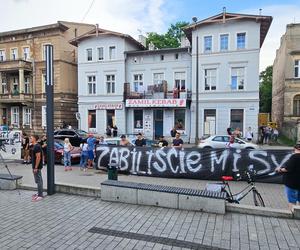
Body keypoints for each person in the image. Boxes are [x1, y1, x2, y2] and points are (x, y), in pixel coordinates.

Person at [276, 143, 300, 211]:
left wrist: (279, 170)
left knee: (292, 201)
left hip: (292, 183)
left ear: (295, 149)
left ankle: (292, 214)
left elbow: (288, 168)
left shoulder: (294, 157)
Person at [30, 135, 43, 201]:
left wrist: (36, 167)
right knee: (37, 180)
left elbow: (38, 157)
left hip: (37, 166)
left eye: (31, 138)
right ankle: (39, 193)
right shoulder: (34, 146)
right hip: (35, 166)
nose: (30, 138)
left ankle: (40, 195)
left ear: (34, 139)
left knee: (39, 180)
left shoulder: (37, 146)